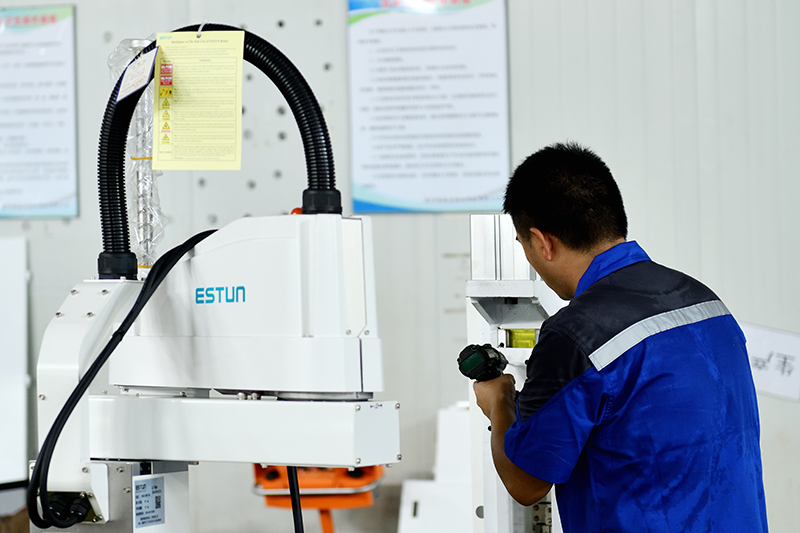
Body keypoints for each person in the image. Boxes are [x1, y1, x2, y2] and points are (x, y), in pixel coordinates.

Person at [473, 142, 768, 532]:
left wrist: (499, 403)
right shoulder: (705, 303)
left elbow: (526, 482)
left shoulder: (574, 336)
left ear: (542, 243)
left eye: (523, 244)